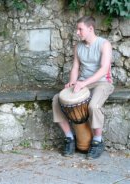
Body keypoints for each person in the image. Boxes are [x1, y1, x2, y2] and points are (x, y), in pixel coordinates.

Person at [52, 16, 114, 159]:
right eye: (77, 29)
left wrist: (83, 83)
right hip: (83, 83)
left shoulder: (104, 44)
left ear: (90, 29)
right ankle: (69, 138)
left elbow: (104, 70)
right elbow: (75, 67)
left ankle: (98, 141)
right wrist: (73, 82)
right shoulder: (78, 47)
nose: (77, 32)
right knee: (57, 99)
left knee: (94, 106)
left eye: (80, 29)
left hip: (103, 82)